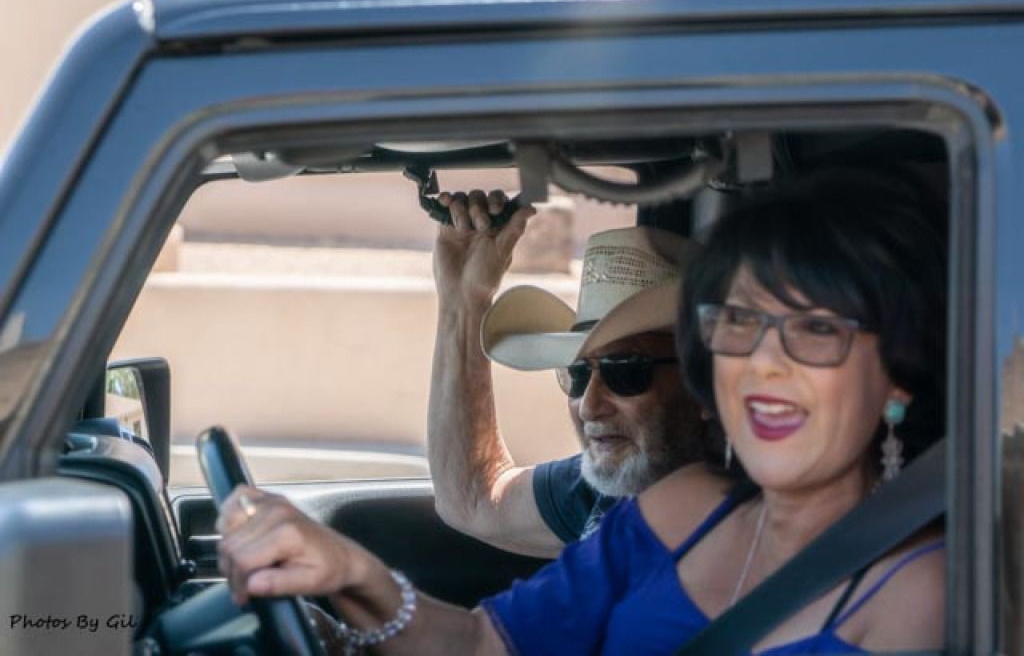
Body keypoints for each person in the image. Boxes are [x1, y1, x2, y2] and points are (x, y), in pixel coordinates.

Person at [217, 170, 947, 655]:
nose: (764, 365)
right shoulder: (680, 508)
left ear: (898, 379)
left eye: (817, 330)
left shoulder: (923, 587)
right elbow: (482, 644)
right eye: (738, 326)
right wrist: (354, 574)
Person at [428, 189, 710, 556]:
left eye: (623, 373)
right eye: (578, 374)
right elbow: (473, 500)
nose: (589, 405)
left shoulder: (740, 526)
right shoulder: (615, 482)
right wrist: (463, 299)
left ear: (705, 383)